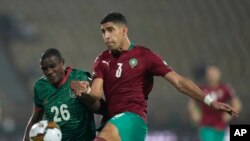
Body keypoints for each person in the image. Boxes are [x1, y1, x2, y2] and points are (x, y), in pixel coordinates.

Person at [70, 12, 239, 141]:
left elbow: (179, 82)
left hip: (133, 119)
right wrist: (85, 92)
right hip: (111, 121)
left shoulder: (145, 56)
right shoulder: (102, 59)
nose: (106, 36)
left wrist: (210, 102)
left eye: (110, 30)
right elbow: (96, 95)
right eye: (102, 31)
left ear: (124, 30)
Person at [23, 48, 100, 141]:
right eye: (44, 68)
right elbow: (35, 118)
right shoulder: (40, 87)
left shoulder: (80, 77)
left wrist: (86, 94)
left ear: (62, 62)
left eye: (52, 66)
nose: (49, 71)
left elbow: (99, 108)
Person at [188, 65, 242, 141]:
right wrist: (195, 115)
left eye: (214, 73)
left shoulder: (225, 88)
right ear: (206, 75)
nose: (212, 75)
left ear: (219, 74)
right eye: (210, 74)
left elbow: (236, 104)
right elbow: (192, 104)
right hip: (206, 125)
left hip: (221, 126)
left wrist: (228, 114)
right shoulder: (201, 89)